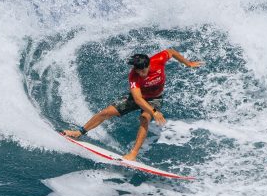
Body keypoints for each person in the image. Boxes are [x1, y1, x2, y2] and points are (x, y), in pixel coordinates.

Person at [62, 48, 203, 160]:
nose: (140, 73)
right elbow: (137, 99)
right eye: (137, 70)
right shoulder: (133, 75)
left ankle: (133, 154)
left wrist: (188, 63)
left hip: (155, 99)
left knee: (144, 118)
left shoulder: (158, 60)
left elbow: (171, 51)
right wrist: (154, 112)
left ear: (148, 65)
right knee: (105, 113)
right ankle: (79, 132)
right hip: (139, 97)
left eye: (143, 70)